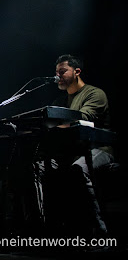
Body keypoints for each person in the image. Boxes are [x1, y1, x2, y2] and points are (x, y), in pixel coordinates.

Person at [47, 54, 114, 236]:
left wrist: (54, 125)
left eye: (62, 72)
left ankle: (100, 232)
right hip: (72, 152)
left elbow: (84, 118)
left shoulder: (94, 94)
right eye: (56, 73)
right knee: (38, 167)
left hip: (99, 149)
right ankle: (49, 231)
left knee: (78, 169)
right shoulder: (59, 101)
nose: (58, 76)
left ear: (77, 72)